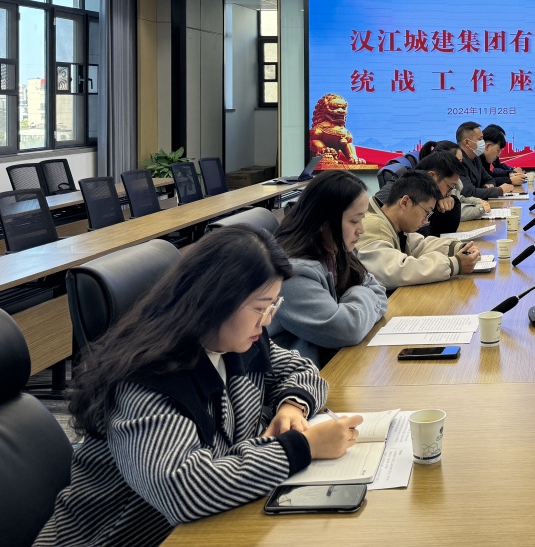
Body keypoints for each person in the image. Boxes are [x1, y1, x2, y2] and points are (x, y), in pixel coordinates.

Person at [36, 228, 363, 547]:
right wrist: (302, 447)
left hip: (203, 527)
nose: (266, 320)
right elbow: (182, 489)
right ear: (215, 301)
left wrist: (293, 405)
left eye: (272, 306)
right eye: (260, 307)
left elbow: (302, 370)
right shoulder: (147, 380)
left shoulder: (237, 341)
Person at [268, 171, 387, 366]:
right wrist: (359, 293)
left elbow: (379, 292)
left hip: (330, 364)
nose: (361, 230)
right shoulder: (291, 274)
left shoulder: (335, 250)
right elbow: (347, 330)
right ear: (324, 221)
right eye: (354, 221)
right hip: (300, 378)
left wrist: (352, 305)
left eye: (362, 218)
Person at [358, 170, 481, 289]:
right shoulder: (374, 227)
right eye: (426, 213)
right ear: (405, 202)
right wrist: (454, 264)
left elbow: (418, 245)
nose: (426, 221)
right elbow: (394, 272)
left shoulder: (392, 221)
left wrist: (456, 248)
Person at [456, 121, 512, 199]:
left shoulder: (476, 157)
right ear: (467, 142)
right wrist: (499, 190)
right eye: (480, 139)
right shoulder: (457, 160)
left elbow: (489, 179)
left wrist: (488, 185)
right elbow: (468, 192)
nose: (483, 142)